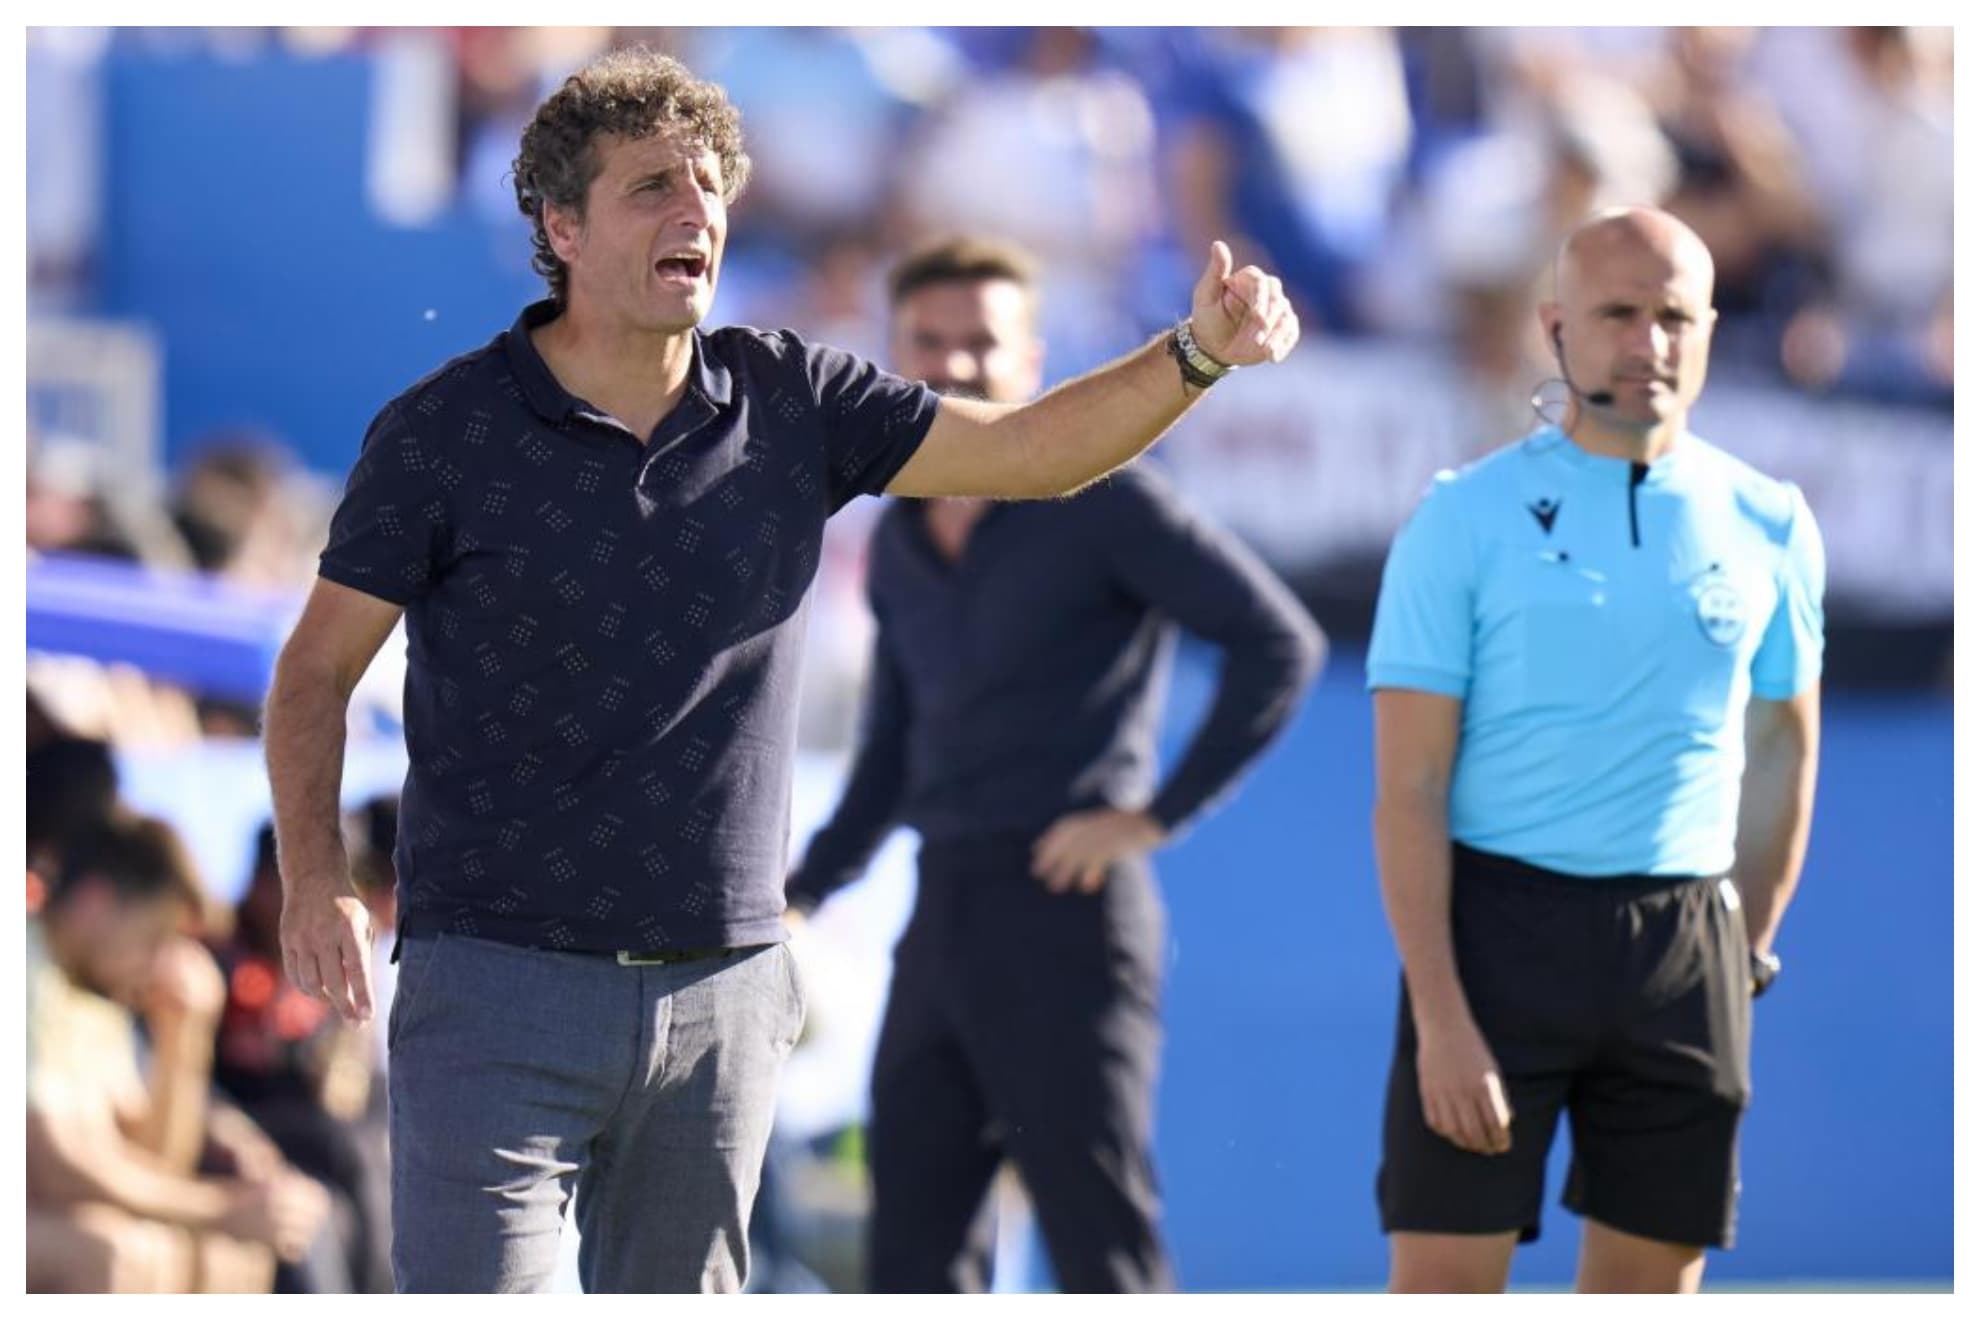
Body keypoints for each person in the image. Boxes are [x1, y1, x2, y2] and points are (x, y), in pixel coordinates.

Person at [263, 47, 1299, 1294]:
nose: (694, 209)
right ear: (559, 224)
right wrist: (315, 874)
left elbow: (1033, 451)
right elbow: (315, 674)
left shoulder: (795, 395)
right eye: (650, 185)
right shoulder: (442, 432)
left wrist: (1193, 352)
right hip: (495, 986)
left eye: (709, 183)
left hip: (724, 999)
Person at [782, 237, 1324, 1292]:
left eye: (982, 343)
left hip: (1071, 912)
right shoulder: (894, 539)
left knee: (1097, 1245)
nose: (954, 366)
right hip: (941, 912)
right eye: (927, 343)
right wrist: (803, 892)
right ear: (891, 354)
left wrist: (1154, 817)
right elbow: (893, 750)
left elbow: (1281, 643)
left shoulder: (1110, 501)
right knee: (913, 1252)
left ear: (1032, 359)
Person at [1366, 206, 1824, 1293]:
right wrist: (1441, 1015)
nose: (1649, 343)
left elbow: (1782, 747)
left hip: (1685, 941)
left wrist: (1741, 949)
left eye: (1675, 317)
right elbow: (1409, 785)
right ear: (1557, 327)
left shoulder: (1771, 519)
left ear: (1710, 329)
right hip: (1495, 939)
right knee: (1440, 1289)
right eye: (1619, 314)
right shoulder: (1460, 517)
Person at [26, 812, 332, 1292]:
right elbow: (58, 1172)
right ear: (95, 903)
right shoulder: (27, 969)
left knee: (225, 1253)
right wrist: (221, 1209)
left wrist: (183, 1039)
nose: (159, 963)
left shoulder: (90, 988)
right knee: (113, 1251)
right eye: (152, 939)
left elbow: (152, 1158)